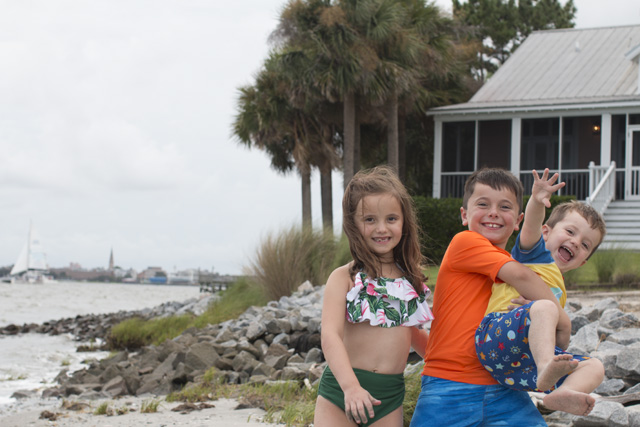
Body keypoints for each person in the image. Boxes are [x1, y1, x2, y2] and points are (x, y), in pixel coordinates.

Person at [411, 168, 566, 427]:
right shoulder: (465, 242)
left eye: (504, 207)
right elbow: (523, 277)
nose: (493, 212)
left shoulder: (509, 262)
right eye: (483, 204)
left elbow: (532, 235)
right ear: (464, 215)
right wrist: (563, 321)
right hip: (451, 387)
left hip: (503, 386)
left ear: (517, 220)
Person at [475, 169, 606, 416]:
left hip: (522, 364)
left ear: (583, 262)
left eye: (585, 244)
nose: (576, 242)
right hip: (495, 338)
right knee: (545, 307)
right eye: (570, 232)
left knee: (595, 366)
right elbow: (531, 225)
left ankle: (557, 397)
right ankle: (546, 368)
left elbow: (558, 338)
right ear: (546, 233)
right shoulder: (534, 256)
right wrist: (537, 200)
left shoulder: (560, 288)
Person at [314, 165, 434, 427]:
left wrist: (445, 360)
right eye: (370, 220)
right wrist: (350, 388)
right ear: (353, 224)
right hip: (342, 392)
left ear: (404, 222)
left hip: (389, 397)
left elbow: (410, 333)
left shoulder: (410, 280)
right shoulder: (344, 278)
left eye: (391, 219)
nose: (382, 228)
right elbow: (330, 335)